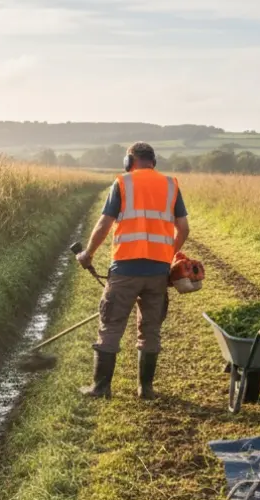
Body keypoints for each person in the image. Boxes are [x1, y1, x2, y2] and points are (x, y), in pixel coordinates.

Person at [75, 141, 190, 399]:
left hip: (126, 268)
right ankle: (146, 389)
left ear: (130, 161)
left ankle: (101, 387)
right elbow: (183, 229)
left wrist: (88, 254)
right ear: (153, 161)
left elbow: (105, 224)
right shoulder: (171, 185)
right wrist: (167, 255)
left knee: (111, 325)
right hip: (158, 273)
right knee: (150, 330)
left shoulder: (123, 183)